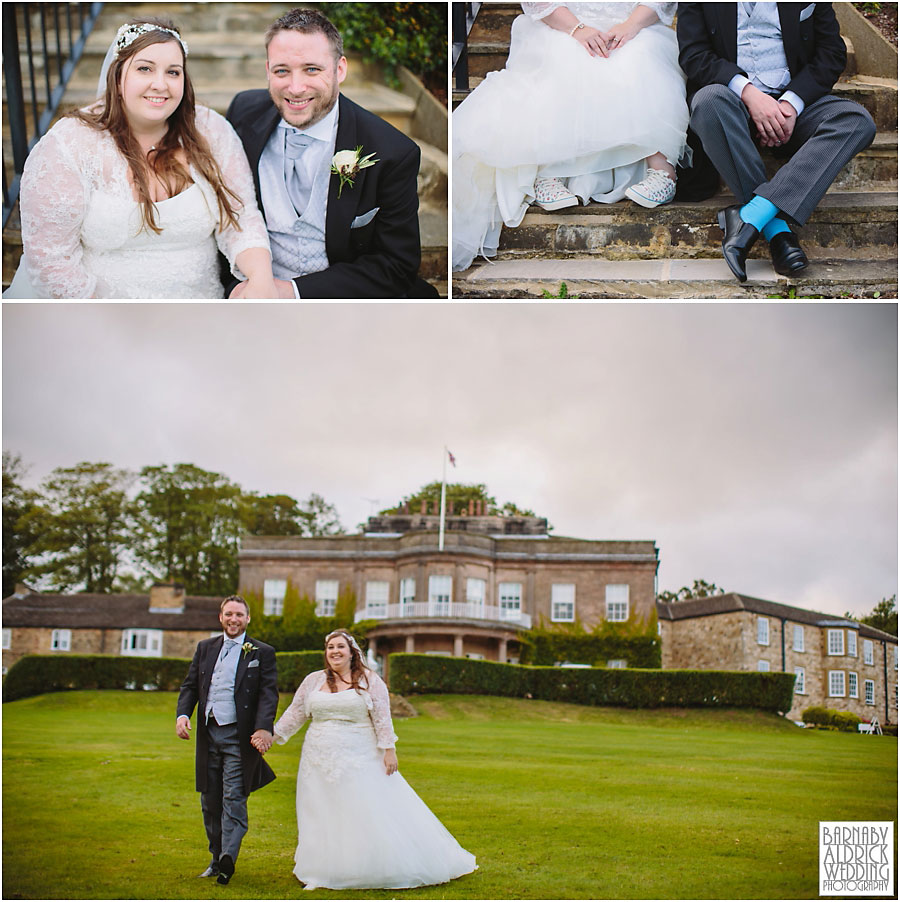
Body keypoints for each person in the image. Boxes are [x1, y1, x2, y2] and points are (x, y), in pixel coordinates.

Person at [6, 17, 276, 299]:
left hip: (196, 311)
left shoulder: (212, 130)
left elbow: (240, 218)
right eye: (145, 69)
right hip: (95, 314)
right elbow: (50, 258)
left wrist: (259, 277)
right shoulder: (69, 143)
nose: (160, 84)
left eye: (173, 72)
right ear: (118, 78)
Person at [452, 2, 690, 272]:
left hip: (631, 25)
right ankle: (550, 170)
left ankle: (661, 169)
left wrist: (631, 25)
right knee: (563, 56)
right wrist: (576, 28)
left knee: (644, 54)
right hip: (563, 26)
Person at [225, 8, 437, 299]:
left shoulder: (392, 152)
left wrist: (293, 291)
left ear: (340, 69)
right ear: (267, 71)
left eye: (312, 69)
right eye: (282, 70)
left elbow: (396, 265)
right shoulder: (243, 114)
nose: (295, 88)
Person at [677, 2, 877, 282]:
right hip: (732, 105)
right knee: (707, 103)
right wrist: (748, 93)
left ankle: (752, 215)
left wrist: (791, 104)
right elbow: (694, 54)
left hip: (794, 108)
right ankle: (777, 232)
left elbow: (831, 53)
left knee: (856, 121)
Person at [265, 629, 477, 890]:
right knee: (320, 809)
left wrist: (389, 749)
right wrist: (270, 736)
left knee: (361, 808)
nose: (335, 652)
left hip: (359, 753)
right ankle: (323, 867)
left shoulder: (369, 679)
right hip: (317, 757)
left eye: (340, 647)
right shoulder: (313, 680)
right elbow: (295, 713)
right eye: (330, 647)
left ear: (352, 652)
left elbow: (382, 716)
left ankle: (368, 866)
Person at [176, 595, 279, 886]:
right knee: (209, 801)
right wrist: (183, 715)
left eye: (239, 615)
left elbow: (268, 693)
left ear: (248, 619)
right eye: (228, 614)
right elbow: (190, 686)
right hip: (208, 734)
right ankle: (215, 857)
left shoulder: (262, 652)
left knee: (234, 797)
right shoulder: (205, 648)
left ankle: (228, 860)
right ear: (220, 618)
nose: (233, 619)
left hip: (238, 736)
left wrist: (263, 728)